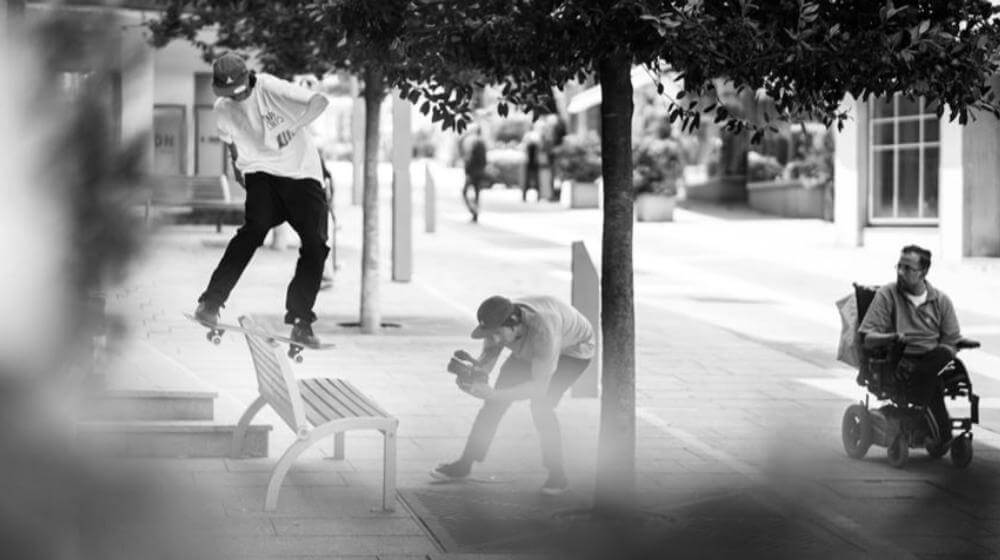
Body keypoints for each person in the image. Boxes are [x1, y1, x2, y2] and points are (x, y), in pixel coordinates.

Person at [193, 53, 330, 346]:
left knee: (316, 245)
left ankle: (301, 321)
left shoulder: (269, 86)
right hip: (260, 173)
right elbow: (230, 143)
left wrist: (294, 126)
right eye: (231, 94)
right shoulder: (222, 108)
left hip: (301, 173)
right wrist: (236, 168)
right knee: (252, 232)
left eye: (241, 90)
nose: (238, 97)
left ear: (248, 78)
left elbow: (320, 101)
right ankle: (211, 303)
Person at [431, 295, 596, 495]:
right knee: (492, 406)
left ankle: (558, 476)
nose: (494, 340)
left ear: (515, 325)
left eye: (497, 334)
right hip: (528, 349)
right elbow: (489, 357)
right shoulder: (499, 323)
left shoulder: (544, 332)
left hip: (572, 351)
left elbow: (538, 388)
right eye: (489, 335)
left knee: (541, 407)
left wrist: (493, 394)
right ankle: (464, 464)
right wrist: (476, 377)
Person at [859, 245, 963, 446]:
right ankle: (941, 432)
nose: (900, 272)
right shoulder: (887, 295)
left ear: (923, 272)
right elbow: (867, 337)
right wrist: (892, 337)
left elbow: (952, 340)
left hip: (936, 360)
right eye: (899, 266)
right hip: (901, 360)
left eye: (908, 269)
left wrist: (948, 350)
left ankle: (941, 427)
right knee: (932, 378)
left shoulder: (941, 301)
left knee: (947, 367)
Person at [462, 127, 488, 222]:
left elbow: (470, 159)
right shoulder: (482, 144)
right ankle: (475, 213)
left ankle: (473, 211)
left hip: (472, 173)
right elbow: (484, 160)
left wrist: (467, 172)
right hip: (479, 172)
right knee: (477, 193)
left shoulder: (474, 144)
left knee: (465, 192)